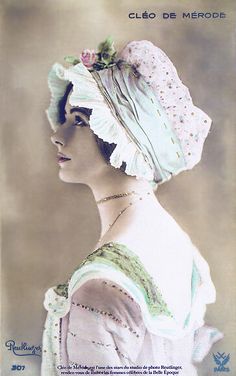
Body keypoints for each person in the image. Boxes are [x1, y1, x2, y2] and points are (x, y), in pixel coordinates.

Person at [41, 38, 222, 376]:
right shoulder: (173, 237)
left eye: (79, 121)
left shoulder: (97, 290)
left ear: (123, 137)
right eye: (65, 119)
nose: (57, 135)